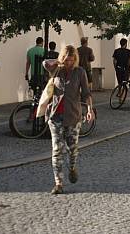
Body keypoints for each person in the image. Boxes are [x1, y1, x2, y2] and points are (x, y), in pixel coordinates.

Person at [42, 45, 94, 195]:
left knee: (72, 149)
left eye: (72, 60)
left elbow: (86, 93)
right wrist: (58, 62)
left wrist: (89, 109)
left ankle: (72, 167)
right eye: (66, 60)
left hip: (73, 116)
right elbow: (45, 63)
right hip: (55, 116)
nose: (69, 63)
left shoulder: (80, 72)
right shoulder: (56, 70)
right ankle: (58, 183)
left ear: (75, 59)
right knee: (57, 150)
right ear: (62, 58)